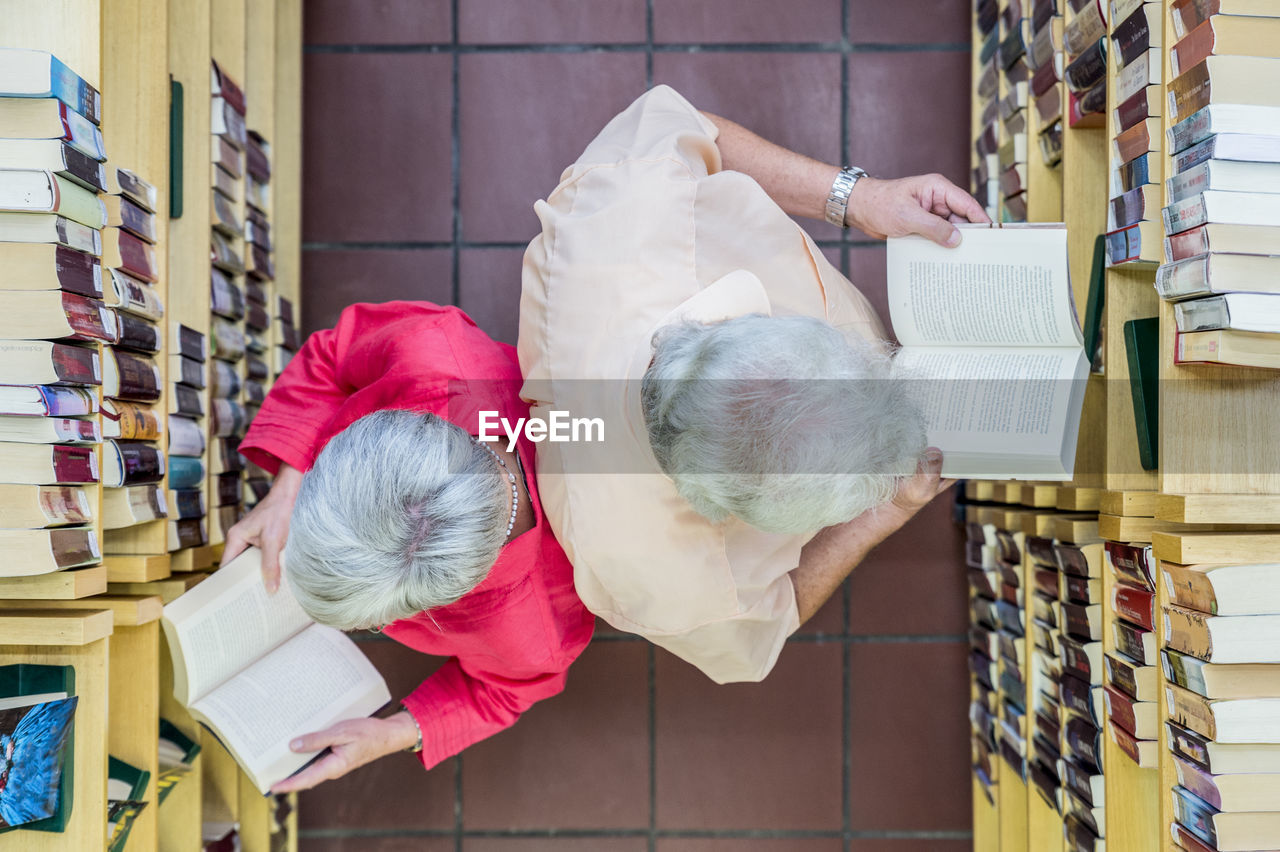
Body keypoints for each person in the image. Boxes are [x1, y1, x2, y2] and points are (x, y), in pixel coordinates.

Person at [518, 85, 989, 683]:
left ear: (736, 329)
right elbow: (772, 620)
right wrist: (884, 513)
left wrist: (859, 197)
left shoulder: (622, 202)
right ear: (730, 511)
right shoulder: (650, 584)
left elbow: (694, 130)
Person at [224, 301, 596, 792]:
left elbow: (504, 693)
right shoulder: (428, 351)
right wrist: (287, 489)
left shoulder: (535, 632)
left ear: (444, 600)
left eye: (374, 624)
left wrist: (398, 732)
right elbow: (335, 357)